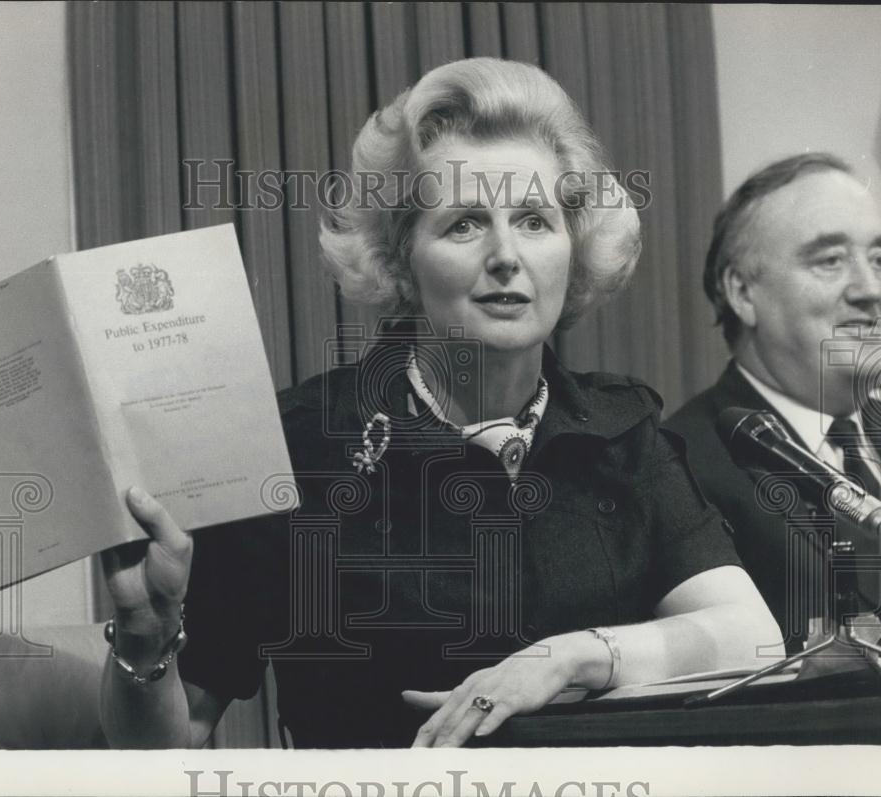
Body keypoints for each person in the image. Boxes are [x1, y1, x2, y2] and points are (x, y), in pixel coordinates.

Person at [100, 57, 782, 750]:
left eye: (535, 221)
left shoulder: (622, 432)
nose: (506, 255)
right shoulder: (298, 448)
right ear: (401, 260)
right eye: (463, 224)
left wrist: (569, 657)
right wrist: (141, 643)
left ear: (573, 251)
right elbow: (167, 740)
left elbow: (750, 638)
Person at [666, 153, 881, 653]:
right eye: (830, 260)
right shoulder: (679, 466)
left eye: (880, 259)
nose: (870, 290)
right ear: (742, 292)